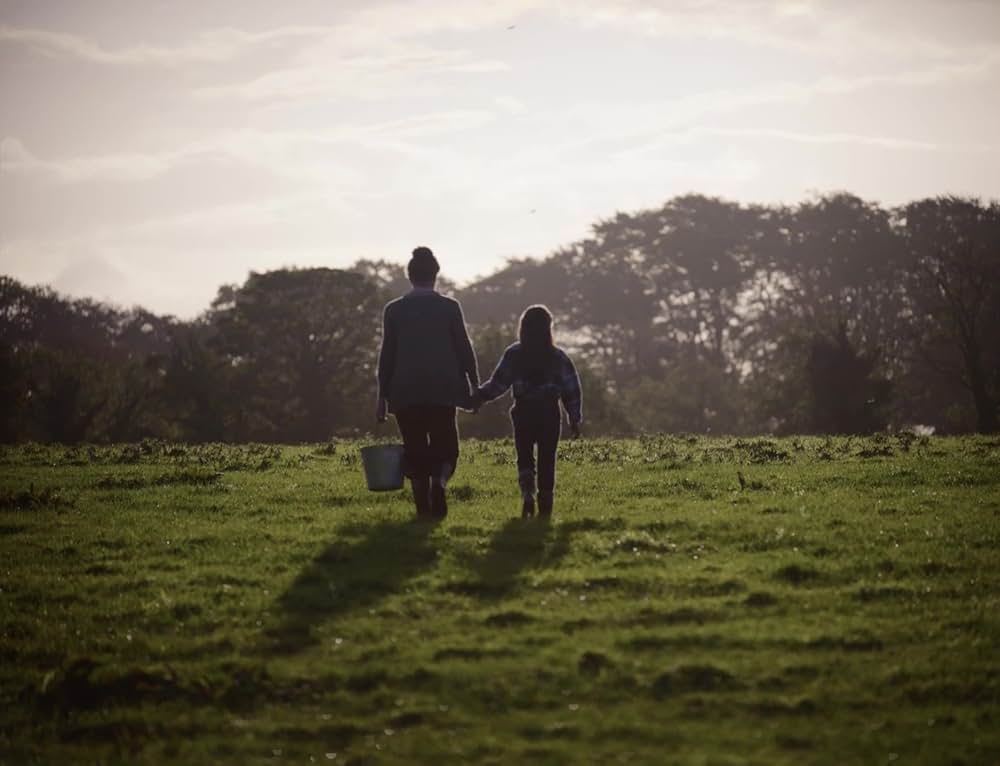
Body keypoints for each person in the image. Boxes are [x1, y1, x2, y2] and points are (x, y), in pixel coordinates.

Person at [376, 247, 479, 520]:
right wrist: (474, 385)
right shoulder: (450, 307)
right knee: (446, 447)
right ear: (436, 275)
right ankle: (439, 484)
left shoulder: (394, 310)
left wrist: (381, 397)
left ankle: (422, 504)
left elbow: (387, 356)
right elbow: (464, 349)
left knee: (414, 448)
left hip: (405, 391)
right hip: (443, 389)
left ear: (409, 276)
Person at [473, 305, 582, 519]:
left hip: (523, 411)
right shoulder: (558, 357)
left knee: (524, 457)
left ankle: (527, 494)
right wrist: (574, 417)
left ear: (523, 328)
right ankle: (546, 504)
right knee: (547, 459)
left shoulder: (514, 354)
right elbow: (572, 388)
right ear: (548, 329)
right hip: (549, 412)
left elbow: (498, 384)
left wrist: (478, 397)